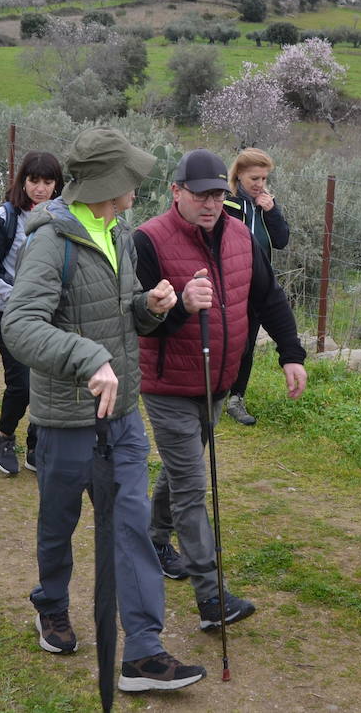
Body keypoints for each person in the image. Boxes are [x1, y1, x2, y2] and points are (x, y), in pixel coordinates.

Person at [0, 127, 206, 692]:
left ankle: (142, 651)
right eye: (130, 177)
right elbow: (19, 325)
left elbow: (119, 318)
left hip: (121, 417)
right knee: (59, 522)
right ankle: (52, 603)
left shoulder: (119, 231)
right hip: (66, 419)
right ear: (107, 182)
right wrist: (87, 356)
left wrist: (153, 307)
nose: (137, 186)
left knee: (133, 526)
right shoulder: (52, 240)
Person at [134, 148, 307, 631]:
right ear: (176, 192)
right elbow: (139, 324)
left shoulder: (240, 236)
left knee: (179, 468)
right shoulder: (147, 240)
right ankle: (212, 600)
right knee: (192, 485)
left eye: (217, 195)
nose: (210, 204)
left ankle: (152, 537)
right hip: (167, 383)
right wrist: (179, 308)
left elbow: (269, 298)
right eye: (200, 195)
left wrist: (291, 354)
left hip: (216, 381)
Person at [0, 150, 63, 475]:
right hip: (7, 313)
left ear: (57, 185)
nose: (40, 188)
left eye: (48, 181)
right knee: (22, 383)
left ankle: (35, 445)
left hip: (48, 314)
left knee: (47, 381)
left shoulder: (61, 217)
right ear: (22, 181)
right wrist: (20, 296)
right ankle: (3, 434)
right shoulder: (5, 216)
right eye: (34, 180)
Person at [221, 147, 290, 426]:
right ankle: (210, 392)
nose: (260, 184)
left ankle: (236, 397)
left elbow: (282, 240)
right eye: (254, 178)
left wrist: (272, 212)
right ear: (238, 175)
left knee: (247, 342)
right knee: (225, 340)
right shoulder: (226, 202)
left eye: (263, 178)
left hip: (258, 286)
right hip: (229, 285)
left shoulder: (266, 204)